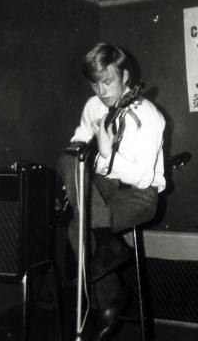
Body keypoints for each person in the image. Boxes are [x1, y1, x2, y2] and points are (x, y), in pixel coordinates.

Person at [57, 43, 165, 341]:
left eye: (109, 82)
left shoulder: (149, 116)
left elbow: (144, 178)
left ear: (125, 76)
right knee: (67, 158)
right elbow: (78, 142)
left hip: (139, 195)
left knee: (77, 230)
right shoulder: (93, 105)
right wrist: (83, 147)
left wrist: (107, 154)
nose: (102, 91)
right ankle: (105, 242)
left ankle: (110, 295)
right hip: (103, 185)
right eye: (95, 84)